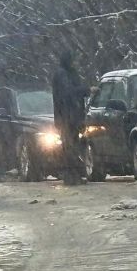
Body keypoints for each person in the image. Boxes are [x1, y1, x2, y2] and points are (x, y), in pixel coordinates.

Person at [51, 51, 89, 185]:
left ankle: (73, 175)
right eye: (73, 60)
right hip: (67, 117)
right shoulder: (62, 74)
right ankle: (71, 175)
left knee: (71, 146)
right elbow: (68, 92)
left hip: (70, 116)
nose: (76, 63)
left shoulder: (67, 73)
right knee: (70, 146)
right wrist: (87, 90)